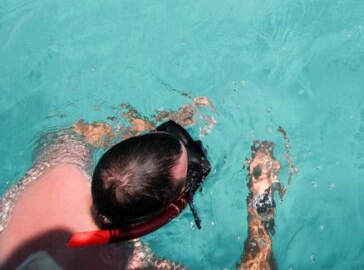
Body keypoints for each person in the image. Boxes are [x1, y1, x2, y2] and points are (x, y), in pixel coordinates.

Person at [0, 99, 286, 270]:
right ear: (171, 208)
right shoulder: (132, 262)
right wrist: (261, 199)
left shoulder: (61, 165)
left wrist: (141, 128)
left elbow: (78, 131)